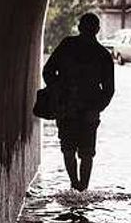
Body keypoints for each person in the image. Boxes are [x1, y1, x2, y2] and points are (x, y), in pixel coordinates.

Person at [43, 12, 115, 190]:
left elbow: (48, 72)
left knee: (69, 149)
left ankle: (75, 185)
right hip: (85, 111)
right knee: (86, 153)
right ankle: (82, 188)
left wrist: (58, 91)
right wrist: (96, 109)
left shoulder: (68, 46)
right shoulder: (103, 55)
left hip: (68, 109)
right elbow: (109, 90)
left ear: (79, 27)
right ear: (98, 29)